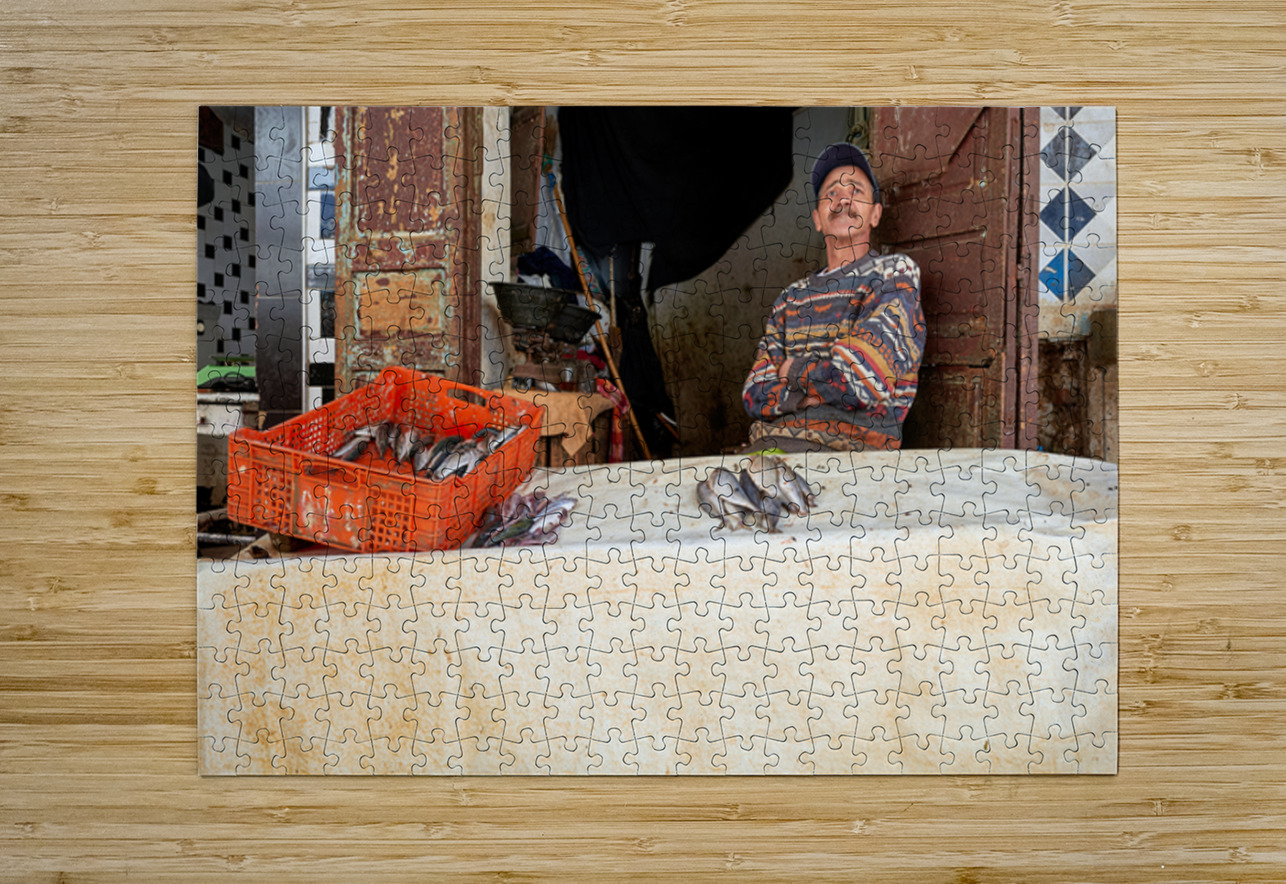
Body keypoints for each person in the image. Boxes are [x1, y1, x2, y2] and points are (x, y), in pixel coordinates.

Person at [742, 143, 926, 453]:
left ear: (875, 214)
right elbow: (754, 392)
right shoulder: (791, 298)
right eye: (831, 193)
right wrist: (809, 395)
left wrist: (793, 371)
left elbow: (864, 378)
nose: (842, 199)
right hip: (773, 446)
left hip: (852, 458)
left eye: (855, 190)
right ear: (817, 219)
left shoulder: (894, 274)